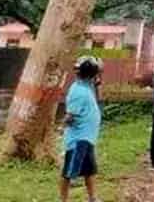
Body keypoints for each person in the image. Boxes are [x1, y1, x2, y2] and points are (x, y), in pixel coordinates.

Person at [59, 56, 102, 202]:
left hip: (87, 138)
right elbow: (70, 116)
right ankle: (63, 200)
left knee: (89, 171)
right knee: (68, 173)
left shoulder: (86, 85)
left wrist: (97, 82)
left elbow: (97, 92)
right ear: (92, 73)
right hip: (78, 140)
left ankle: (92, 198)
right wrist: (61, 127)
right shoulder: (78, 91)